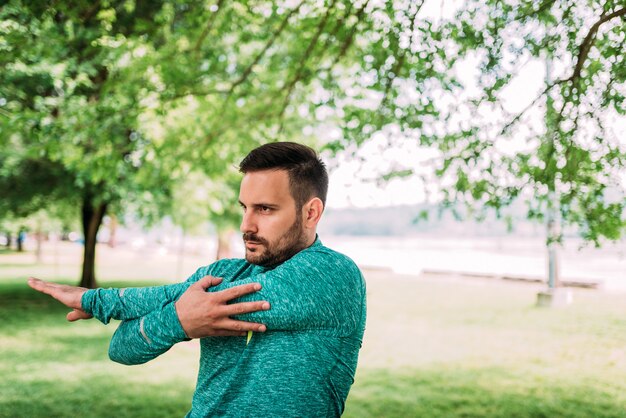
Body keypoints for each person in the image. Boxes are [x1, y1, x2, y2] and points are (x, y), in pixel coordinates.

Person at [28, 142, 367, 417]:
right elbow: (121, 349)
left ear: (311, 212)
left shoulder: (334, 275)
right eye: (244, 207)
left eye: (264, 209)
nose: (246, 225)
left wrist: (96, 301)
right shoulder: (221, 274)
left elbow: (183, 296)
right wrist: (180, 321)